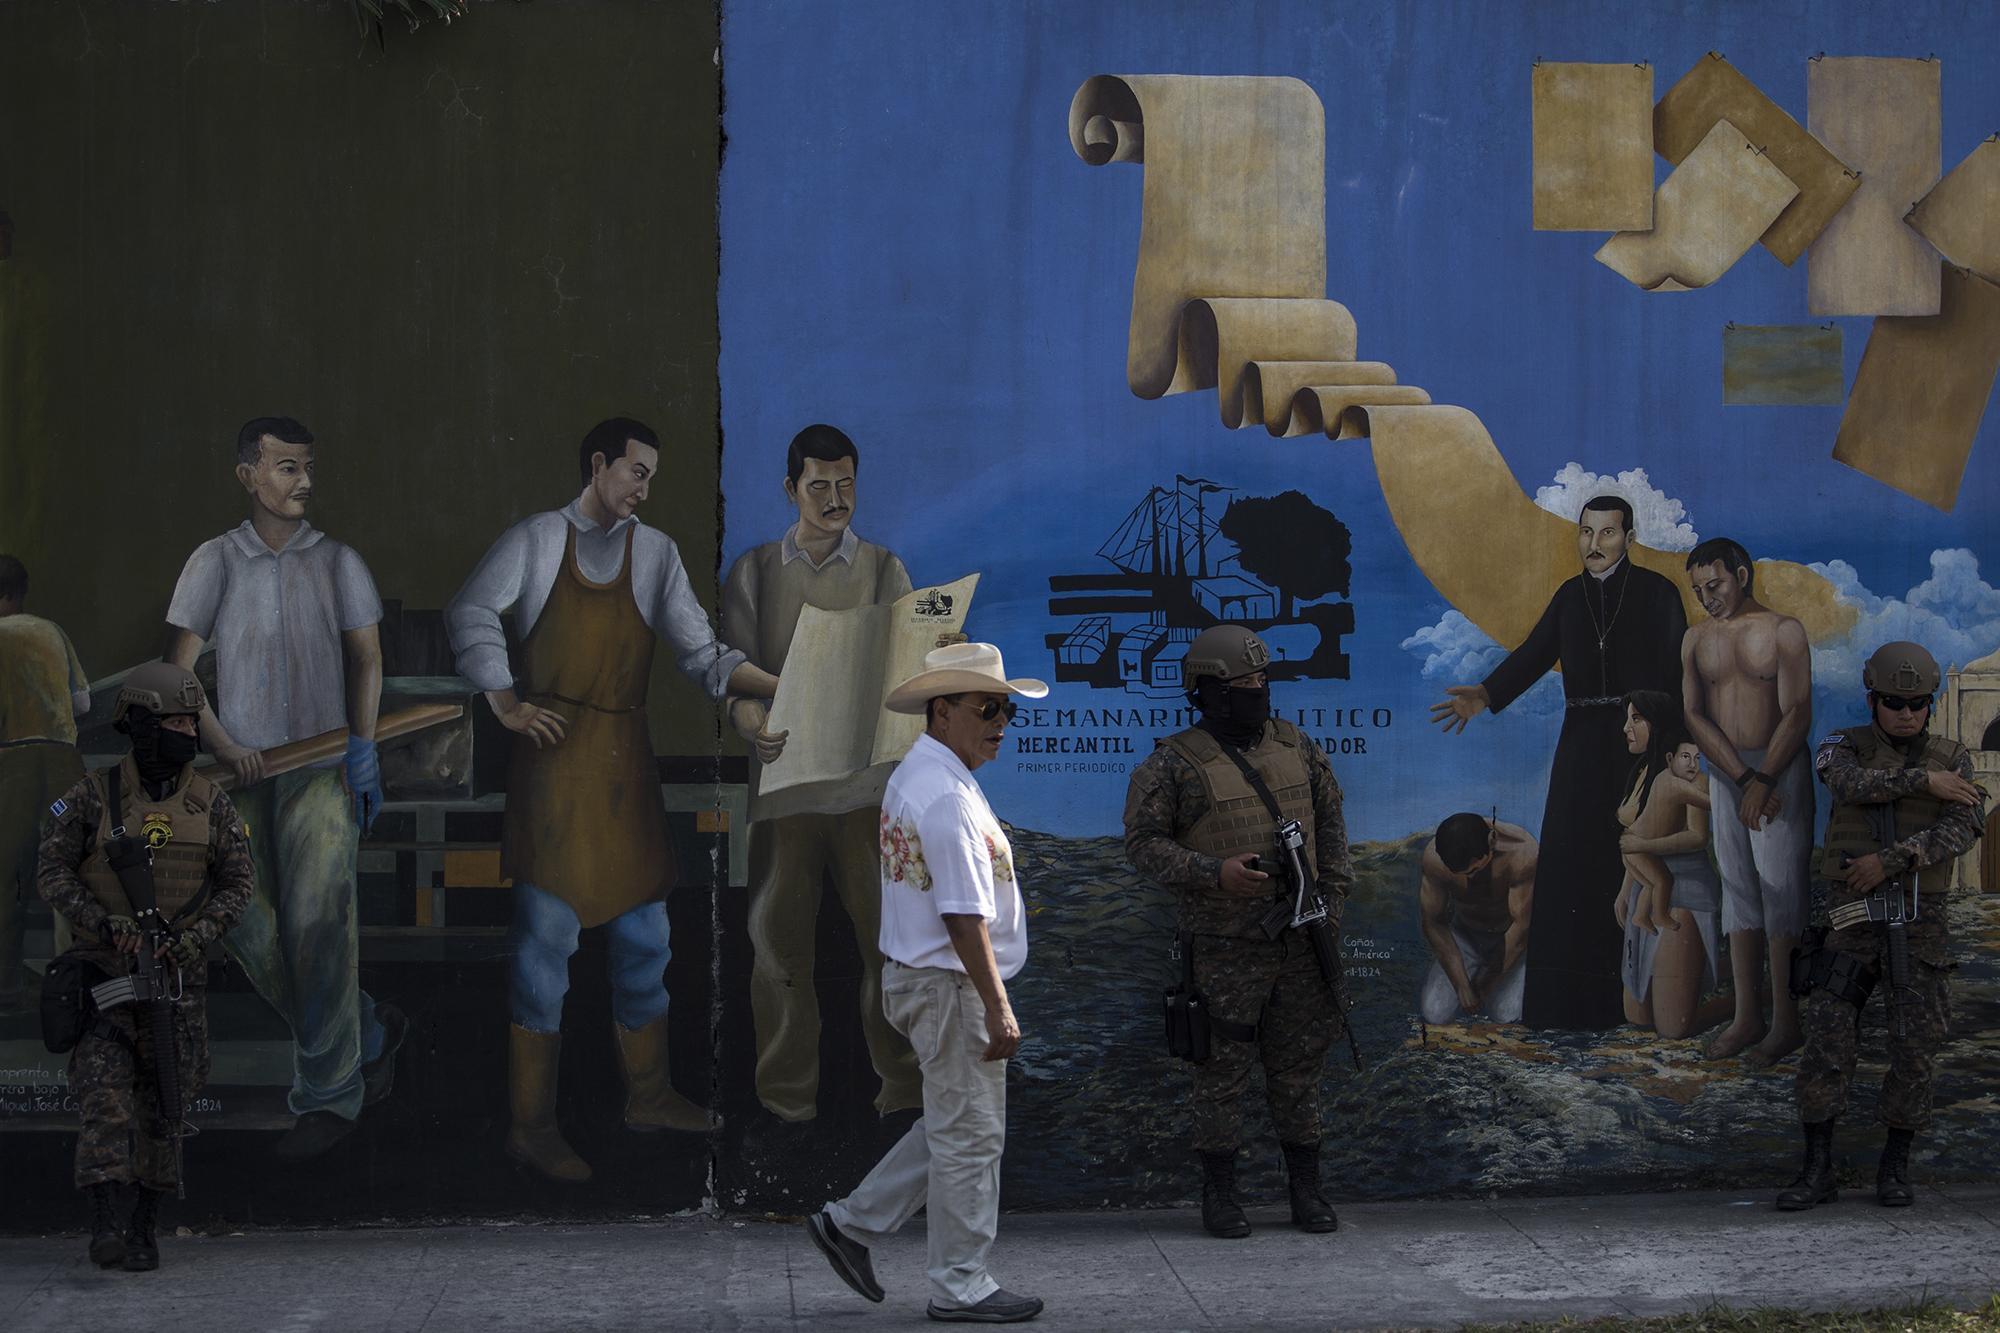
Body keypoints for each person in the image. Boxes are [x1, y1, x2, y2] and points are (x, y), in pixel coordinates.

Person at [447, 417, 778, 1183]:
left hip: (626, 771)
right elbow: (469, 611)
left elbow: (701, 651)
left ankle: (650, 1095)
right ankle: (531, 1125)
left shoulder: (654, 553)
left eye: (652, 476)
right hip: (553, 768)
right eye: (635, 471)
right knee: (543, 948)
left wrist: (775, 683)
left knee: (646, 943)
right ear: (598, 465)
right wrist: (504, 701)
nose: (644, 487)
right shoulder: (533, 541)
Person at [163, 416, 406, 1160]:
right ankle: (364, 1025)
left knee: (316, 925)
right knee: (246, 924)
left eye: (307, 468)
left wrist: (362, 749)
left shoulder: (337, 562)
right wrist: (227, 745)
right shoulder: (215, 561)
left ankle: (329, 1095)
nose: (303, 481)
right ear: (248, 476)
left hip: (322, 772)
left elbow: (367, 659)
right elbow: (178, 673)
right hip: (236, 775)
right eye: (287, 468)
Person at [804, 642, 1044, 1324]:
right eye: (987, 707)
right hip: (950, 985)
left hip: (927, 979)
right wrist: (999, 1006)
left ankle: (850, 1226)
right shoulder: (945, 794)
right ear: (942, 711)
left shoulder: (928, 774)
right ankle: (961, 1283)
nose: (1001, 721)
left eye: (1006, 709)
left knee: (953, 1124)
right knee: (971, 1136)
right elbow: (964, 917)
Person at [1122, 624, 1353, 1240]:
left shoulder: (1297, 747)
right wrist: (1212, 873)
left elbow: (1330, 825)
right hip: (1225, 949)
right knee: (1220, 1075)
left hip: (1302, 943)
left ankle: (1306, 1189)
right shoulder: (1173, 764)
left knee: (1298, 1070)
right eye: (1243, 684)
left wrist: (1329, 904)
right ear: (1209, 691)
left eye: (1261, 681)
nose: (1257, 692)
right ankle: (1220, 1195)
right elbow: (1143, 844)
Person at [720, 424, 922, 1124]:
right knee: (778, 948)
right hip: (785, 790)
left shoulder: (886, 570)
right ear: (790, 488)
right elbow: (732, 682)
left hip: (869, 791)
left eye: (846, 485)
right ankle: (785, 1103)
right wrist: (752, 723)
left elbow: (911, 669)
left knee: (890, 943)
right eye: (819, 487)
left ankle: (902, 1086)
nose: (835, 500)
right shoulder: (752, 572)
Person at [1430, 495, 1687, 1030]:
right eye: (1586, 532)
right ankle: (1560, 1008)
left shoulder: (1658, 593)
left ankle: (1628, 1007)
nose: (1594, 545)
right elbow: (1533, 652)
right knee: (1570, 861)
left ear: (1629, 537)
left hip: (1637, 742)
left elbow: (1675, 681)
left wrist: (1668, 751)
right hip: (1579, 744)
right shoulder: (1570, 595)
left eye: (1607, 534)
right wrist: (1485, 693)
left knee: (1626, 864)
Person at [36, 662, 253, 1272]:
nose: (187, 731)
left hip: (175, 984)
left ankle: (144, 1229)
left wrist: (197, 934)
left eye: (192, 720)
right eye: (175, 721)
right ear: (139, 725)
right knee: (104, 1102)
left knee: (167, 1110)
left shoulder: (211, 803)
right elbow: (52, 870)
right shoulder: (90, 797)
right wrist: (107, 923)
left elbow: (239, 882)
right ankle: (104, 1223)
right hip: (105, 975)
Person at [1779, 642, 1986, 1213]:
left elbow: (1964, 828)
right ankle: (1817, 1170)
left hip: (1919, 921)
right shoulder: (1842, 746)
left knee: (1915, 1046)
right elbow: (1847, 784)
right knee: (1826, 1039)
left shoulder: (1956, 757)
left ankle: (1894, 1168)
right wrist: (1925, 781)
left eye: (1918, 703)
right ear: (1873, 699)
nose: (1906, 714)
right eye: (1894, 702)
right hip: (1848, 922)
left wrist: (1889, 862)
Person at [1681, 537, 1814, 1065]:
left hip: (1779, 772)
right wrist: (1739, 777)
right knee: (1737, 888)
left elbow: (1798, 711)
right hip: (1728, 773)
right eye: (1697, 591)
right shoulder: (1694, 640)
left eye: (1714, 585)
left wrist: (1763, 779)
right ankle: (1746, 1016)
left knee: (1781, 889)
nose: (1707, 598)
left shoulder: (1784, 631)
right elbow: (1694, 714)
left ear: (1741, 574)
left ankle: (1786, 1023)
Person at [0, 554, 90, 1013]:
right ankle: (71, 981)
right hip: (62, 763)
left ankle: (7, 988)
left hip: (11, 764)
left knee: (8, 878)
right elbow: (83, 702)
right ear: (19, 593)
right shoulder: (51, 630)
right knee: (69, 867)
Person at [1613, 692, 1729, 1041]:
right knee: (1638, 1017)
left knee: (1673, 1027)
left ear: (1658, 724)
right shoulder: (1642, 772)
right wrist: (1623, 891)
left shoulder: (1688, 776)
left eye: (1636, 719)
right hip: (1645, 887)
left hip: (1685, 889)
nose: (1626, 728)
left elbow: (1696, 837)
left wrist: (1644, 847)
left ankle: (1753, 1000)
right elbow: (1632, 835)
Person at [1416, 813, 1536, 1025]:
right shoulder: (1434, 859)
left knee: (1506, 1013)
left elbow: (1521, 929)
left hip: (1511, 939)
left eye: (1474, 870)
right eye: (1462, 874)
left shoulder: (1522, 852)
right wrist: (1461, 984)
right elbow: (1434, 922)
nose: (1470, 879)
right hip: (1466, 936)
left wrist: (1484, 984)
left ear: (1491, 840)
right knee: (1434, 1012)